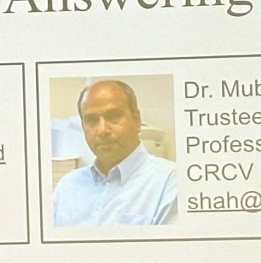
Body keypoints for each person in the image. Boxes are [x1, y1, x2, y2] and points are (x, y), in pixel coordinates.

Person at [52, 79, 177, 227]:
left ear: (137, 120)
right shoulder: (67, 187)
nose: (102, 130)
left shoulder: (170, 181)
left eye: (113, 116)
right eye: (91, 120)